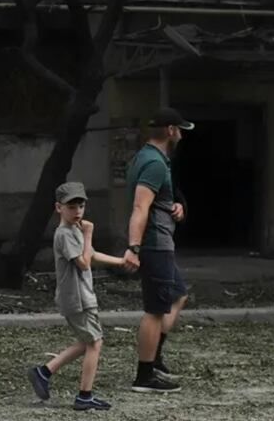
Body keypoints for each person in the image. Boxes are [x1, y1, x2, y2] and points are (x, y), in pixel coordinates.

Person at [27, 182, 126, 411]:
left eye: (81, 205)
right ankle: (84, 395)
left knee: (86, 341)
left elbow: (90, 255)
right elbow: (83, 262)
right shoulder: (65, 234)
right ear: (58, 208)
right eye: (71, 206)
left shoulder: (73, 230)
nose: (78, 211)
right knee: (95, 342)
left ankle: (43, 372)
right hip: (78, 299)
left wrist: (120, 261)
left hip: (80, 297)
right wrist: (89, 233)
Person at [122, 107, 194, 393]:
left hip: (160, 242)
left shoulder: (149, 158)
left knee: (178, 295)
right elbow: (140, 207)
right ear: (170, 131)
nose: (181, 135)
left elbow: (157, 200)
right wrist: (134, 247)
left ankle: (154, 358)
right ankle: (144, 376)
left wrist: (178, 206)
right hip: (155, 244)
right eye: (180, 130)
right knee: (155, 310)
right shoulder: (153, 163)